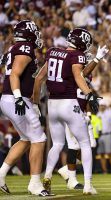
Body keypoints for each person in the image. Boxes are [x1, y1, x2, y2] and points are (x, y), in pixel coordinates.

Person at [32, 28, 101, 195]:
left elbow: (39, 78)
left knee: (57, 144)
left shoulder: (53, 51)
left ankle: (47, 176)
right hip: (69, 103)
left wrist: (35, 103)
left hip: (52, 104)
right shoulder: (76, 56)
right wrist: (90, 94)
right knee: (84, 144)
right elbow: (78, 76)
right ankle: (87, 185)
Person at [0, 20, 50, 196]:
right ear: (29, 34)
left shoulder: (14, 49)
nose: (37, 36)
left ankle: (0, 175)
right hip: (15, 99)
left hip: (12, 99)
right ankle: (35, 183)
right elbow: (14, 74)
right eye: (35, 32)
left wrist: (32, 102)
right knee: (40, 138)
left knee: (26, 139)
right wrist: (18, 97)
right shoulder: (25, 47)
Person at [57, 45, 109, 189]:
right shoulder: (74, 73)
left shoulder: (86, 74)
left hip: (81, 114)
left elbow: (86, 96)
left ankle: (67, 169)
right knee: (74, 145)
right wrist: (97, 59)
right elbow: (82, 74)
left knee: (90, 145)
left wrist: (88, 115)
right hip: (71, 111)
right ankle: (72, 179)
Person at [96, 100, 111, 174]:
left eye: (103, 105)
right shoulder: (97, 114)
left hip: (107, 134)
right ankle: (104, 170)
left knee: (109, 153)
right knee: (101, 154)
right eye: (100, 105)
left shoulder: (110, 113)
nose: (101, 106)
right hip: (99, 136)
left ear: (105, 105)